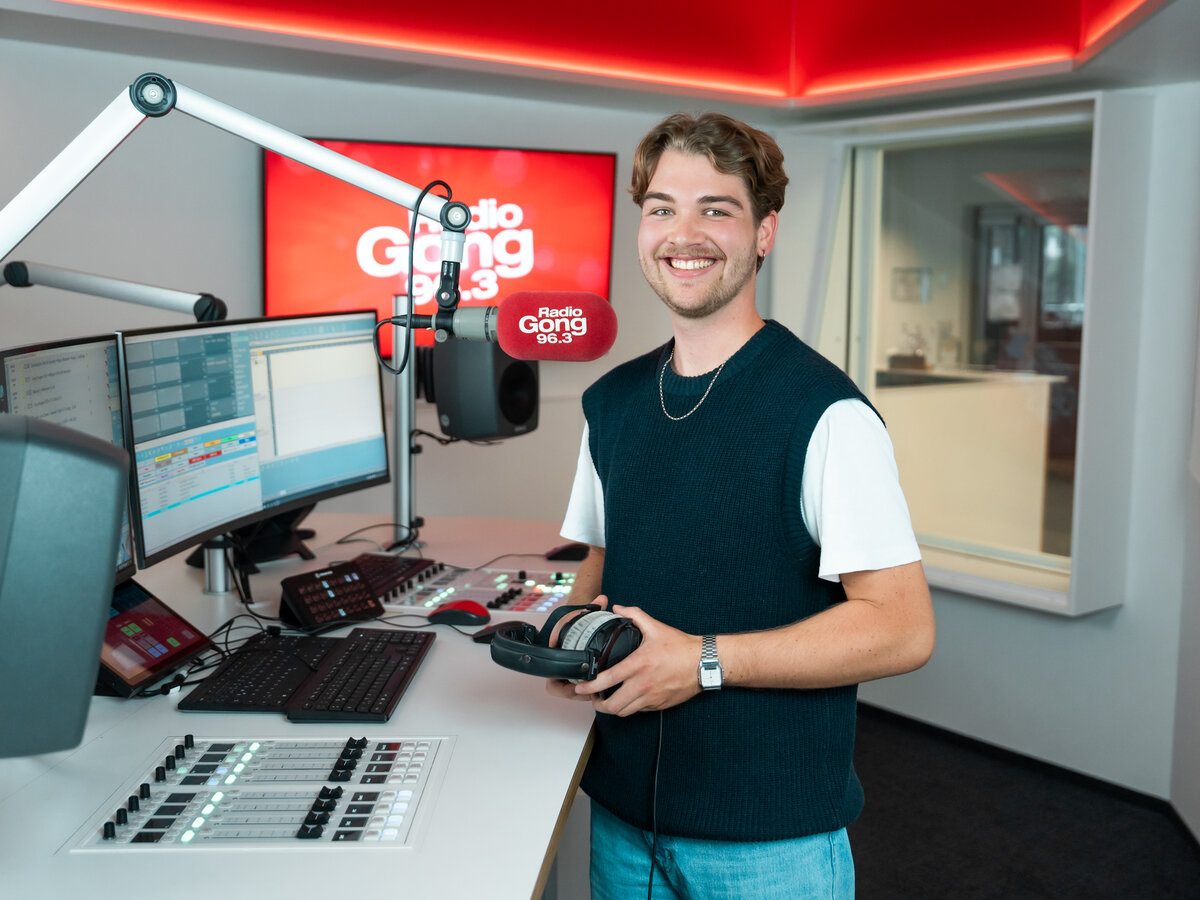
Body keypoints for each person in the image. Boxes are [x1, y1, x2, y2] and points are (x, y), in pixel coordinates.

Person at [548, 112, 936, 900]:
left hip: (770, 844)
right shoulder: (611, 402)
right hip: (622, 815)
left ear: (764, 233)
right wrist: (568, 634)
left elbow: (903, 627)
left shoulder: (825, 413)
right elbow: (600, 558)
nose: (682, 234)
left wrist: (703, 662)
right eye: (662, 208)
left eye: (715, 209)